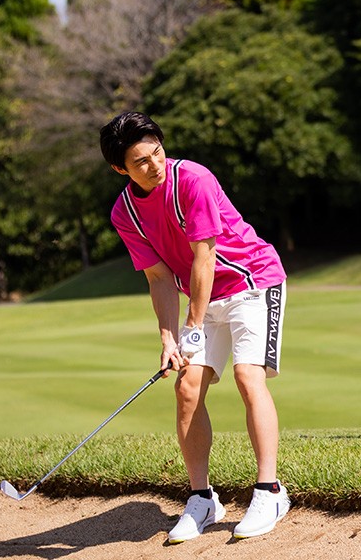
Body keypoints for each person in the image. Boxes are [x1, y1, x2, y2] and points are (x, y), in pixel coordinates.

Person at [100, 112, 290, 541]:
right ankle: (202, 499)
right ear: (120, 169)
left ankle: (270, 491)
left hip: (253, 282)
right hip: (207, 298)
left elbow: (204, 257)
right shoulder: (125, 211)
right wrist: (168, 338)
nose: (154, 164)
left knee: (247, 376)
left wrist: (192, 327)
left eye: (157, 151)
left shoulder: (192, 179)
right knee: (186, 390)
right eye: (140, 161)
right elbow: (159, 277)